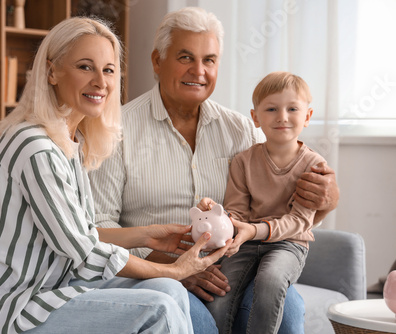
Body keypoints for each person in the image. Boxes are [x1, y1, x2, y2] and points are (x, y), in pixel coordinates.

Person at [0, 17, 231, 334]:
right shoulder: (34, 147)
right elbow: (83, 250)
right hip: (0, 306)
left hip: (47, 291)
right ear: (52, 71)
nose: (100, 81)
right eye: (85, 67)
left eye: (108, 70)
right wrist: (176, 269)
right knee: (160, 306)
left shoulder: (70, 143)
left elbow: (81, 231)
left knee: (170, 292)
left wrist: (146, 235)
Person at [88, 7, 340, 334]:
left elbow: (280, 210)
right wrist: (172, 266)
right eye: (185, 57)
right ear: (157, 61)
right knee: (203, 324)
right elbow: (99, 224)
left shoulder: (241, 130)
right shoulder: (115, 130)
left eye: (209, 60)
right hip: (158, 274)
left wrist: (327, 200)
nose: (199, 71)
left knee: (289, 310)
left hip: (237, 268)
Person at [198, 71, 325, 333]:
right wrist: (222, 218)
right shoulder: (243, 162)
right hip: (246, 242)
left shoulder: (314, 166)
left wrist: (256, 230)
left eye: (292, 108)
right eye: (271, 109)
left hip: (288, 245)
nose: (282, 116)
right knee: (220, 291)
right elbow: (237, 211)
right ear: (255, 117)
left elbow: (300, 221)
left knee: (271, 279)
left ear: (307, 117)